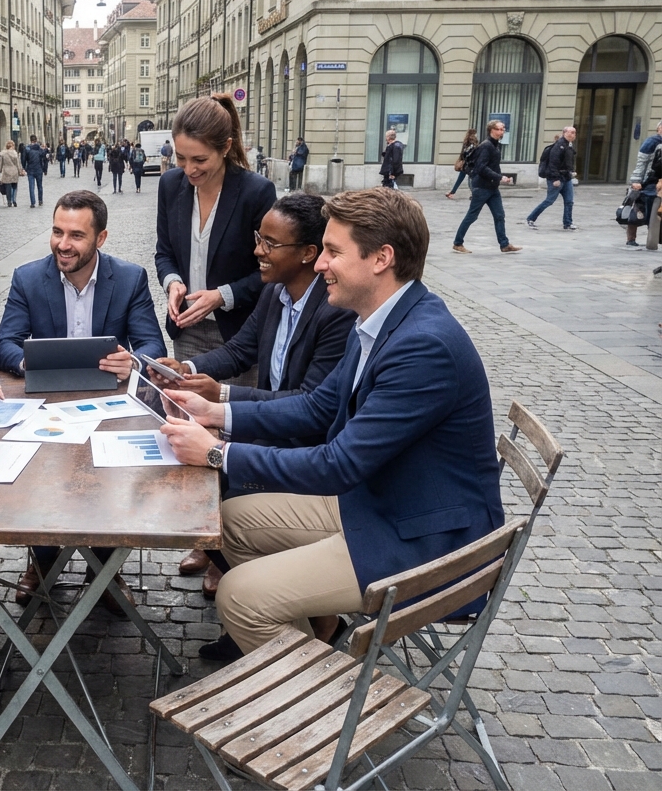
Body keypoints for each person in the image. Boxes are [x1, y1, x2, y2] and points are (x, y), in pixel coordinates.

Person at [159, 187, 505, 656]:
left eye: (333, 252)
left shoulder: (422, 346)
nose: (319, 264)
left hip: (426, 539)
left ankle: (321, 691)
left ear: (381, 258)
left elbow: (338, 465)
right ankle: (316, 643)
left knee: (239, 597)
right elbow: (318, 406)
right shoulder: (382, 319)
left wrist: (217, 453)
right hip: (382, 503)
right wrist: (215, 412)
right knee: (229, 521)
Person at [150, 194, 354, 618]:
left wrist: (221, 398)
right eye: (259, 238)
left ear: (308, 253)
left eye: (270, 244)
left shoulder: (335, 311)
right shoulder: (275, 291)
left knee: (211, 496)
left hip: (304, 445)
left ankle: (280, 605)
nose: (257, 251)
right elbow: (239, 350)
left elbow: (311, 403)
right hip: (271, 429)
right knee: (193, 480)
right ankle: (257, 594)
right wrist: (186, 368)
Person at [0, 190, 166, 614]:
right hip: (44, 402)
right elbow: (5, 344)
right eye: (57, 232)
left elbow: (152, 345)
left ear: (100, 238)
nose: (62, 244)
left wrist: (133, 361)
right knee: (37, 480)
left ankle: (104, 572)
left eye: (75, 235)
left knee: (109, 484)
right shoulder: (28, 278)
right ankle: (42, 562)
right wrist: (30, 362)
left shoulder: (129, 278)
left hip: (109, 404)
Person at [155, 94, 276, 386]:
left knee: (232, 411)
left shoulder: (256, 192)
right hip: (187, 329)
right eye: (181, 158)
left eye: (200, 160)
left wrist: (223, 296)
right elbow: (164, 253)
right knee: (189, 408)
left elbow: (273, 271)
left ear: (226, 148)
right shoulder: (170, 185)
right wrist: (173, 282)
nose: (189, 169)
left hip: (240, 335)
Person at [453, 119, 522, 254]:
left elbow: (493, 166)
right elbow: (481, 167)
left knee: (499, 215)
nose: (502, 131)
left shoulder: (495, 145)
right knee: (472, 216)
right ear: (492, 130)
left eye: (503, 129)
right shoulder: (486, 146)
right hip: (482, 187)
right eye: (499, 129)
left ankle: (504, 244)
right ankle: (457, 243)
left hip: (492, 188)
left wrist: (500, 177)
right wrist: (499, 177)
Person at [526, 127, 578, 231]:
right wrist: (555, 179)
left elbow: (568, 162)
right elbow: (553, 164)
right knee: (549, 201)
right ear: (564, 133)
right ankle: (531, 218)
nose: (572, 135)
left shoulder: (569, 145)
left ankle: (568, 223)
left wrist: (571, 171)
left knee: (569, 201)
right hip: (557, 178)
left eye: (574, 133)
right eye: (570, 132)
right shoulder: (558, 146)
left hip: (566, 178)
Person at [627, 120, 662, 248]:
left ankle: (652, 240)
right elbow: (641, 163)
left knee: (653, 212)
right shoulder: (652, 141)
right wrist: (637, 181)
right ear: (659, 128)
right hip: (648, 182)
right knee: (639, 209)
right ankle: (631, 239)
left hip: (657, 183)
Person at [446, 129, 479, 199]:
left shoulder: (466, 142)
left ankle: (452, 192)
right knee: (471, 179)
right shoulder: (474, 144)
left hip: (465, 163)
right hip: (471, 164)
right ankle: (474, 194)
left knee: (461, 178)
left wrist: (461, 160)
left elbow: (462, 154)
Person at [22, 134, 47, 207]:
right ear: (36, 140)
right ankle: (40, 200)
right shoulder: (39, 148)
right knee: (40, 186)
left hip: (30, 169)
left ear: (30, 140)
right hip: (39, 169)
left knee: (31, 187)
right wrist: (44, 169)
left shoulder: (27, 149)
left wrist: (24, 167)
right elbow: (44, 157)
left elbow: (23, 159)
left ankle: (32, 202)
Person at [0, 139, 24, 207]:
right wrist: (20, 171)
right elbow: (18, 163)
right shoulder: (15, 154)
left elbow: (0, 163)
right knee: (14, 186)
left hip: (6, 171)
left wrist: (0, 170)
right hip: (14, 171)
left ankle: (9, 201)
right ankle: (14, 199)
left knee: (8, 187)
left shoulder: (3, 154)